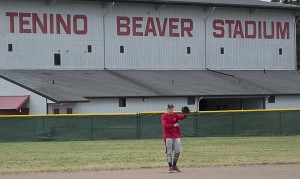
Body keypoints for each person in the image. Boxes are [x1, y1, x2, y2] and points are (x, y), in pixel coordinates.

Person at [161, 104, 188, 173]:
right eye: (170, 108)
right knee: (169, 152)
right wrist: (173, 125)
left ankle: (174, 166)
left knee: (178, 151)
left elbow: (182, 117)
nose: (171, 109)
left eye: (172, 108)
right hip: (168, 136)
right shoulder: (164, 116)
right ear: (167, 109)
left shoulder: (175, 115)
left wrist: (185, 113)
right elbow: (164, 125)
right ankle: (170, 167)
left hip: (176, 136)